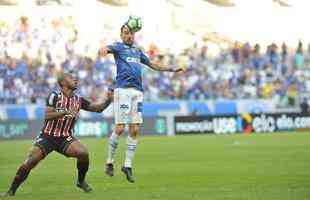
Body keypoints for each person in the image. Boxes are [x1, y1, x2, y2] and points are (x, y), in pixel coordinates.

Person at [2, 71, 112, 196]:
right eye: (71, 78)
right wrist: (65, 112)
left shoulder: (78, 100)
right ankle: (12, 190)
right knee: (31, 161)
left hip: (65, 137)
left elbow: (98, 108)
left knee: (83, 153)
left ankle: (81, 182)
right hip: (48, 136)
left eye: (75, 78)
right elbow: (47, 116)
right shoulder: (54, 96)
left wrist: (109, 100)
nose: (75, 79)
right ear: (63, 83)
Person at [101, 22, 185, 183]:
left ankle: (127, 165)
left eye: (131, 33)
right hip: (123, 90)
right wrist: (103, 50)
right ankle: (109, 162)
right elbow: (105, 50)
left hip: (137, 92)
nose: (129, 35)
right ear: (121, 35)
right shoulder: (118, 47)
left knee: (134, 129)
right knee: (120, 128)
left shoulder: (138, 51)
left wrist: (172, 69)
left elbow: (152, 64)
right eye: (126, 33)